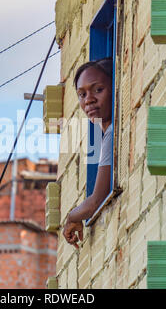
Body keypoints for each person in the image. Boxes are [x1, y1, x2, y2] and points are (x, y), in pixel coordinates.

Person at [63, 58, 113, 248]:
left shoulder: (112, 133)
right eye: (82, 94)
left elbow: (96, 201)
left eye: (98, 90)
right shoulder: (107, 134)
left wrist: (72, 216)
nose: (89, 100)